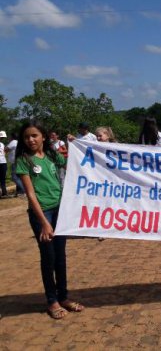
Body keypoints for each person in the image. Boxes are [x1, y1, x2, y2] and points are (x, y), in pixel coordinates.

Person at [15, 120, 85, 319]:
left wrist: (75, 144)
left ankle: (64, 297)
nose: (30, 140)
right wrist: (44, 223)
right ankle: (52, 301)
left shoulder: (52, 156)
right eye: (27, 137)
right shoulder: (23, 160)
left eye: (34, 135)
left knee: (60, 257)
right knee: (49, 258)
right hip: (42, 214)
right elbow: (30, 195)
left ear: (43, 137)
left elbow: (73, 163)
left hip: (60, 211)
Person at [5, 132, 25, 196]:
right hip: (19, 161)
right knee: (19, 177)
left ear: (12, 137)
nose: (9, 138)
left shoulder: (13, 142)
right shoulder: (18, 142)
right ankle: (19, 191)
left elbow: (6, 149)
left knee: (14, 177)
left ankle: (23, 190)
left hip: (15, 161)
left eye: (10, 136)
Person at [0, 130, 7, 197]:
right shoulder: (2, 144)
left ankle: (4, 192)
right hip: (3, 162)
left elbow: (4, 152)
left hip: (3, 162)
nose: (2, 138)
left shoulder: (2, 144)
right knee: (2, 178)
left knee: (3, 178)